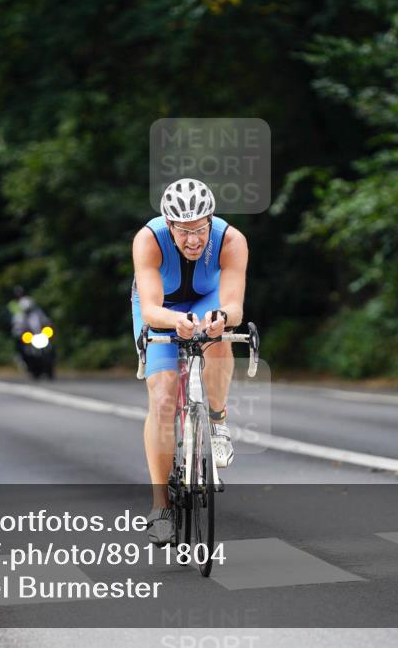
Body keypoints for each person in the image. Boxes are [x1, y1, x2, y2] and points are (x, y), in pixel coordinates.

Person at [131, 178, 248, 545]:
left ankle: (216, 420)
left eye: (200, 229)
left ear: (211, 219)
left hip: (206, 300)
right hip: (161, 309)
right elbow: (150, 309)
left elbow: (234, 307)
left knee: (218, 337)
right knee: (163, 398)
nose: (193, 240)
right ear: (169, 225)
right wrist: (174, 321)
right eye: (183, 231)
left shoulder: (231, 240)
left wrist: (219, 318)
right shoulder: (147, 240)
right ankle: (160, 505)